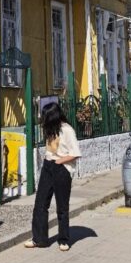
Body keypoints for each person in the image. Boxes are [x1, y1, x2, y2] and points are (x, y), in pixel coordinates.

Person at [26, 102, 81, 251]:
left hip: (62, 168)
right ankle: (39, 239)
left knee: (62, 206)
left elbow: (75, 153)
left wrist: (59, 161)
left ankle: (63, 240)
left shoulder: (67, 130)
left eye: (45, 116)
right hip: (48, 166)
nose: (43, 119)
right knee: (40, 203)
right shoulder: (50, 128)